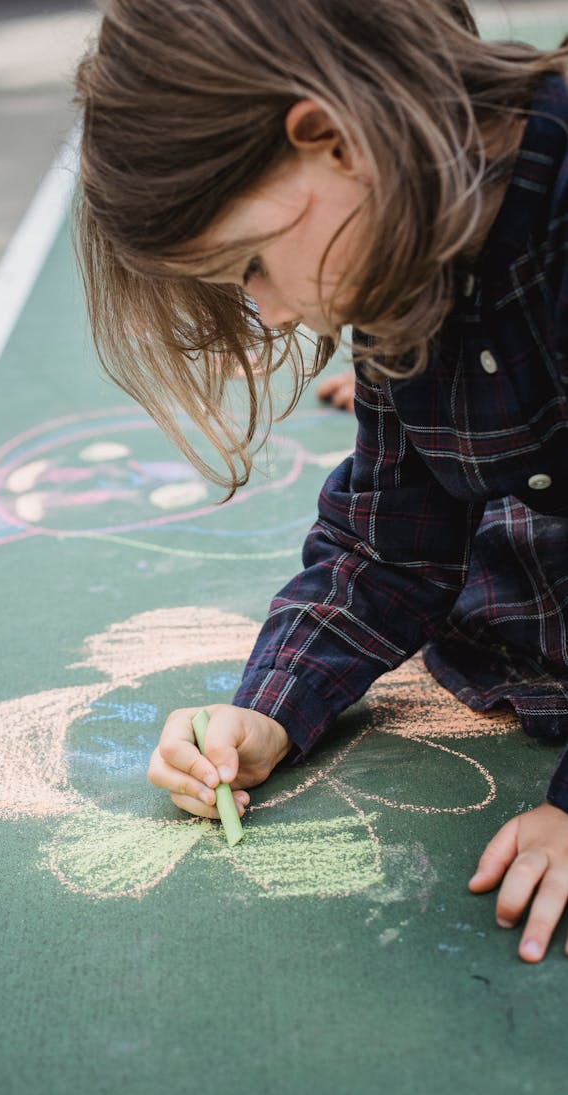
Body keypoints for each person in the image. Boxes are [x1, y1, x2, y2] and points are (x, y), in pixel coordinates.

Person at [74, 0, 568, 962]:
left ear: (332, 139)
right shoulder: (402, 254)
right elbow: (389, 547)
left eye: (250, 263)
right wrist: (268, 708)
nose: (266, 307)